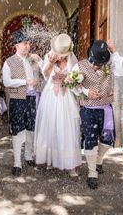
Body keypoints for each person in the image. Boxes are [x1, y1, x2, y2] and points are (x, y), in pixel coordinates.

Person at [72, 40, 123, 189]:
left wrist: (114, 52)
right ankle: (92, 172)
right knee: (90, 140)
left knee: (107, 139)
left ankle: (98, 160)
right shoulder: (80, 65)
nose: (96, 65)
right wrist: (85, 92)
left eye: (99, 63)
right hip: (88, 109)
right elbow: (72, 85)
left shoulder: (109, 62)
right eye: (94, 62)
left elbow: (122, 72)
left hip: (106, 108)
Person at [34, 33, 81, 175]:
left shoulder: (72, 59)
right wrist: (50, 63)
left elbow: (76, 78)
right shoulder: (51, 55)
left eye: (63, 54)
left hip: (66, 96)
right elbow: (45, 74)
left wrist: (69, 79)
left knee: (66, 127)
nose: (60, 56)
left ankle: (69, 164)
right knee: (51, 125)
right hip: (51, 96)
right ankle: (51, 159)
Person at [2, 30, 43, 176]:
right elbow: (6, 82)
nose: (28, 46)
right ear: (16, 45)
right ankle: (17, 162)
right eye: (25, 43)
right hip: (17, 100)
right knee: (18, 130)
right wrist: (25, 82)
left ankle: (28, 156)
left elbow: (46, 72)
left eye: (29, 43)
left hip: (33, 99)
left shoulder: (33, 59)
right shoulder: (9, 62)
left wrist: (40, 60)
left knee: (31, 128)